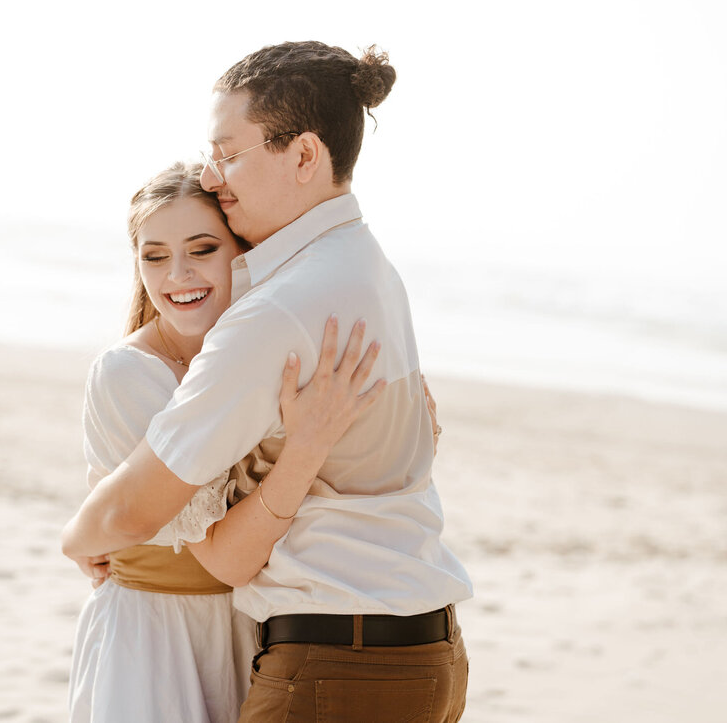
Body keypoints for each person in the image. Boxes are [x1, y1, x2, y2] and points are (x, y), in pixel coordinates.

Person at [63, 41, 473, 722]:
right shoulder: (368, 267)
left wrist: (76, 539)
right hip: (424, 651)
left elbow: (139, 515)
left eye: (229, 151)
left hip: (339, 663)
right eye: (155, 256)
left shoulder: (275, 313)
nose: (213, 172)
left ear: (305, 156)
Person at [64, 162, 385, 722]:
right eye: (155, 256)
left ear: (242, 253)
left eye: (203, 249)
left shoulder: (261, 352)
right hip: (155, 633)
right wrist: (79, 534)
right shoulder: (127, 373)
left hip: (251, 627)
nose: (177, 275)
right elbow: (216, 555)